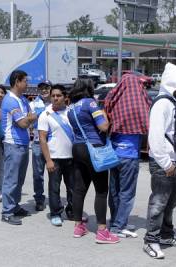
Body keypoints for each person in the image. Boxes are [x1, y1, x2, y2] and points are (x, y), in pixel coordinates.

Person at [143, 63, 176, 259]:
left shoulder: (174, 102)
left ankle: (166, 235)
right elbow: (155, 137)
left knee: (171, 202)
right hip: (165, 163)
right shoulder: (162, 103)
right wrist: (165, 162)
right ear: (173, 83)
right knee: (159, 202)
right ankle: (151, 241)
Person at [67, 79, 119, 244]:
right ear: (88, 89)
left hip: (77, 148)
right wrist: (106, 117)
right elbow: (103, 126)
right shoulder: (90, 103)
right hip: (93, 148)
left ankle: (78, 227)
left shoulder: (71, 108)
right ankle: (102, 232)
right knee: (101, 190)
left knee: (79, 189)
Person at [105, 74, 151, 238]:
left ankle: (116, 221)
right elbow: (148, 122)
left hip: (114, 154)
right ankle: (119, 226)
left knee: (115, 190)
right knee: (127, 192)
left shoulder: (115, 100)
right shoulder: (138, 101)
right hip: (130, 154)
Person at [0, 70, 37, 225]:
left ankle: (15, 206)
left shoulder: (22, 99)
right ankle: (7, 212)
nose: (27, 84)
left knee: (19, 179)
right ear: (17, 82)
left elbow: (31, 118)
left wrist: (28, 118)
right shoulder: (10, 100)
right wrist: (29, 118)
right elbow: (23, 123)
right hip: (12, 144)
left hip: (23, 144)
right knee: (11, 180)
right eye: (25, 81)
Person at [38, 84, 74, 226]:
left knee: (72, 187)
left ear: (65, 97)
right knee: (54, 187)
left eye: (58, 96)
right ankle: (55, 213)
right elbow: (42, 138)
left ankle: (71, 211)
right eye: (53, 96)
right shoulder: (45, 114)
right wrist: (48, 160)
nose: (55, 98)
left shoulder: (71, 112)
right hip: (54, 158)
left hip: (71, 157)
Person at [29, 81, 51, 211]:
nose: (44, 90)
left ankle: (55, 198)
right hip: (37, 142)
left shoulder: (55, 103)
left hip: (53, 142)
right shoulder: (32, 104)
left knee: (55, 173)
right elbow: (29, 121)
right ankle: (39, 199)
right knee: (38, 174)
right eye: (42, 88)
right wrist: (40, 113)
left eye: (47, 88)